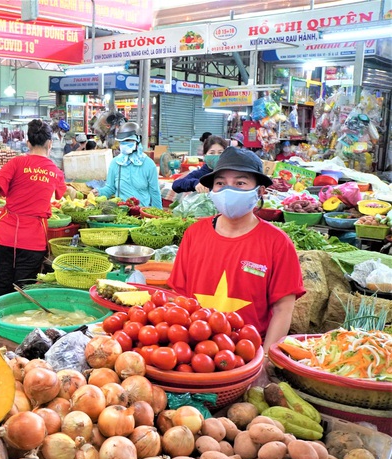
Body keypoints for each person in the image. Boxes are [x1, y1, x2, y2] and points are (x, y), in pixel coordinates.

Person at [167, 147, 305, 352]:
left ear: (260, 191)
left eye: (240, 183)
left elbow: (283, 309)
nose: (228, 190)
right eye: (220, 183)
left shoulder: (278, 243)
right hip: (195, 353)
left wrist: (265, 360)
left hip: (248, 353)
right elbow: (179, 296)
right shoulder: (194, 234)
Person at [0, 119, 76, 297]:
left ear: (28, 143)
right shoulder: (55, 171)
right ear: (49, 144)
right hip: (33, 240)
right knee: (24, 291)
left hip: (6, 236)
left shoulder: (17, 162)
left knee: (2, 286)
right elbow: (64, 194)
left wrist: (6, 191)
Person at [96, 122, 162, 208]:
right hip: (121, 212)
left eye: (128, 140)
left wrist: (158, 214)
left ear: (138, 140)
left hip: (142, 213)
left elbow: (155, 192)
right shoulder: (115, 163)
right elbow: (110, 188)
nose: (124, 144)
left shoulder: (149, 164)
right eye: (122, 141)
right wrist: (99, 192)